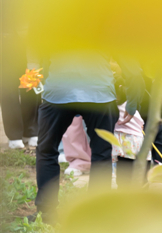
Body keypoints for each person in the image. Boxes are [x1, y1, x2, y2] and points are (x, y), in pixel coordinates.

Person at [35, 51, 144, 220]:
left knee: (46, 151)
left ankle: (46, 213)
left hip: (59, 92)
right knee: (102, 154)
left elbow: (43, 58)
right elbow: (133, 70)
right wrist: (132, 103)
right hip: (99, 93)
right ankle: (97, 213)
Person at [0, 0, 40, 150]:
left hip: (26, 49)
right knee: (7, 91)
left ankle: (31, 131)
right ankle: (14, 135)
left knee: (30, 89)